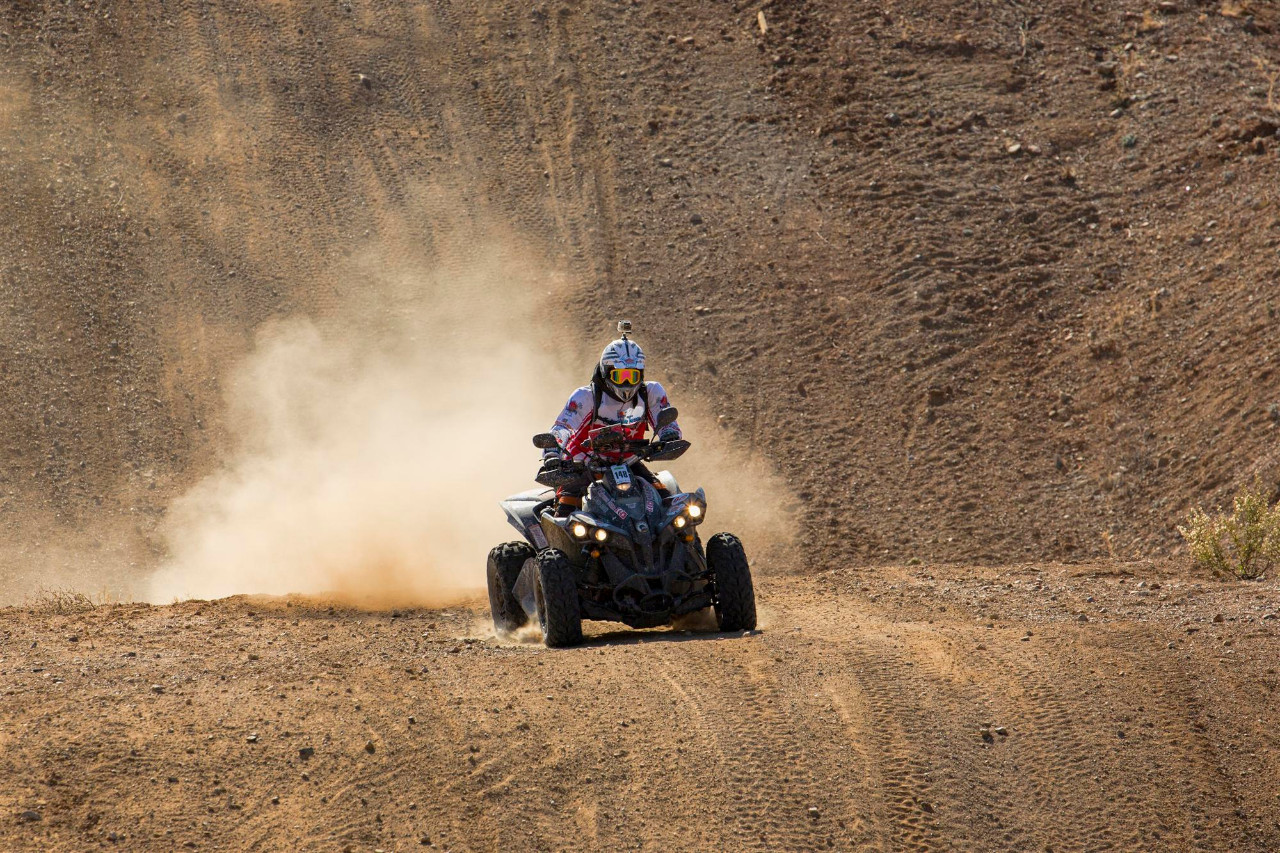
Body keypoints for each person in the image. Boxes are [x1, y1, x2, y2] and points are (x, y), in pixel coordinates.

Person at [539, 323, 683, 516]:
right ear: (606, 372)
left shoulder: (651, 392)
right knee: (566, 512)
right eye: (620, 376)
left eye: (633, 376)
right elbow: (563, 427)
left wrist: (669, 434)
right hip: (583, 464)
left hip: (629, 462)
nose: (627, 383)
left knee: (669, 505)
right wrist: (552, 453)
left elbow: (666, 419)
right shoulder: (586, 397)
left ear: (641, 374)